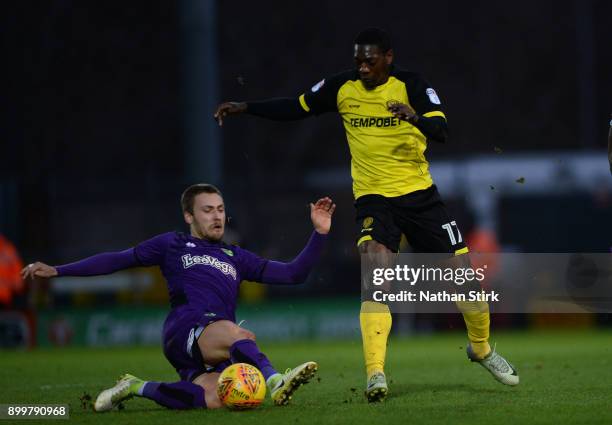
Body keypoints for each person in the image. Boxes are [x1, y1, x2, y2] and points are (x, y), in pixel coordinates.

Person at [214, 28, 518, 402]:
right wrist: (247, 107)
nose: (361, 67)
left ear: (388, 57)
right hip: (374, 199)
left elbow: (442, 130)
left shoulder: (412, 85)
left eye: (369, 61)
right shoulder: (342, 88)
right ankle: (375, 372)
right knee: (376, 274)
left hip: (421, 197)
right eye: (357, 60)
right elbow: (296, 106)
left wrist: (413, 117)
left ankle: (482, 349)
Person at [22, 184, 336, 410]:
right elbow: (117, 259)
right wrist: (59, 271)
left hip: (209, 346)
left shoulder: (236, 256)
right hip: (185, 327)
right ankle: (276, 380)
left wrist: (319, 233)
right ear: (189, 216)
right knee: (238, 333)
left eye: (221, 210)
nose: (217, 217)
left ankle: (136, 386)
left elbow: (294, 274)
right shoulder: (172, 244)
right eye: (208, 210)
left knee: (214, 399)